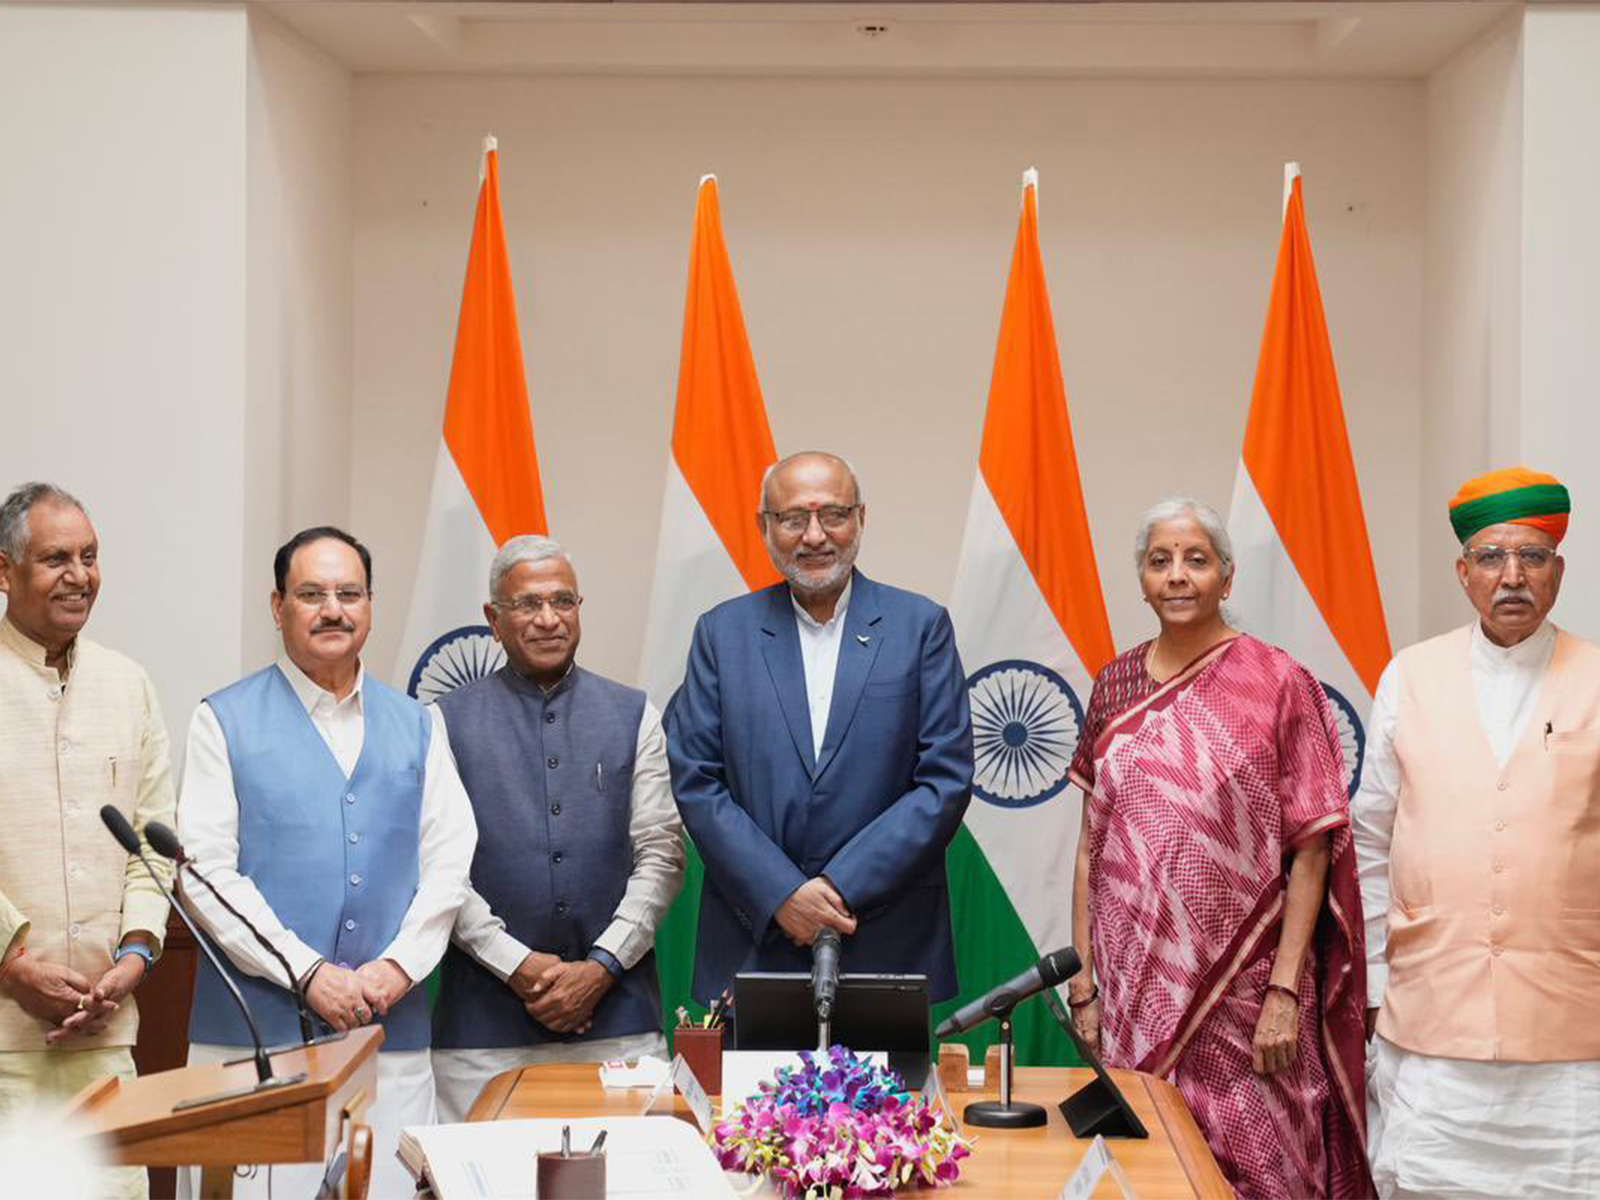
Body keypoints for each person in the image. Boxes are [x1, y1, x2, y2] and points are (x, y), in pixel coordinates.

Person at [1067, 497, 1371, 1200]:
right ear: (1142, 580)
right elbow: (1090, 844)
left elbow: (1313, 849)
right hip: (1135, 987)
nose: (1178, 576)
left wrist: (1285, 992)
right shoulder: (1113, 685)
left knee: (1264, 1168)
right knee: (1147, 1167)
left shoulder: (1278, 683)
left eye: (1196, 561)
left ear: (1226, 581)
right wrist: (1085, 981)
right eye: (1160, 561)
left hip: (1247, 992)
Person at [177, 526, 475, 1199]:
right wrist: (306, 971)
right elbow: (206, 873)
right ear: (277, 605)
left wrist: (396, 968)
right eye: (311, 594)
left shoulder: (420, 724)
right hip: (253, 1043)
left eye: (349, 593)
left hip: (386, 1038)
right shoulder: (222, 721)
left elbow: (451, 858)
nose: (332, 609)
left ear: (371, 605)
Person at [1356, 467, 1600, 1198]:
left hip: (1572, 1033)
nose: (1513, 576)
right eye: (1493, 558)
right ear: (1464, 574)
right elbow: (1371, 836)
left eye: (1532, 558)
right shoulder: (1409, 676)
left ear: (1558, 572)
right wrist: (1373, 980)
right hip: (1433, 1020)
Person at [666, 451, 972, 1005]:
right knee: (748, 1097)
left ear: (860, 519)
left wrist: (836, 888)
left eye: (833, 514)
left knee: (886, 1095)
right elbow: (696, 780)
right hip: (755, 942)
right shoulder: (721, 633)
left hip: (885, 940)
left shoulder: (921, 626)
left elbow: (944, 781)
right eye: (792, 518)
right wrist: (782, 893)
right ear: (764, 527)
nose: (814, 536)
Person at [431, 536, 685, 1122]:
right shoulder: (442, 723)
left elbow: (661, 856)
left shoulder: (633, 714)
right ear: (493, 619)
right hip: (481, 1031)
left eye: (563, 601)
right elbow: (439, 868)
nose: (549, 619)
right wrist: (519, 966)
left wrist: (601, 967)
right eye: (527, 605)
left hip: (618, 1023)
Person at [0, 482, 174, 1200]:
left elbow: (154, 839)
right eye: (55, 558)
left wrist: (136, 952)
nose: (80, 576)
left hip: (106, 1040)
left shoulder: (127, 684)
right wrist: (10, 963)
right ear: (4, 572)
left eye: (90, 556)